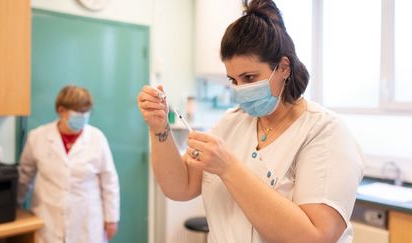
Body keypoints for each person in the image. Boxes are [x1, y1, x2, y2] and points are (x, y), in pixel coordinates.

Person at [138, 0, 364, 242]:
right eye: (234, 80)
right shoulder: (231, 123)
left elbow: (316, 237)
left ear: (284, 67)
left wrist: (228, 167)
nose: (240, 89)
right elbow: (179, 187)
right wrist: (159, 129)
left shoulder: (324, 132)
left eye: (249, 77)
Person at [18, 85, 120, 243]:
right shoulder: (37, 137)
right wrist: (15, 206)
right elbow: (24, 177)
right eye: (78, 112)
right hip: (47, 219)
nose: (83, 116)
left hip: (87, 221)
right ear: (61, 110)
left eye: (86, 112)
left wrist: (111, 218)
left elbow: (110, 181)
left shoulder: (97, 138)